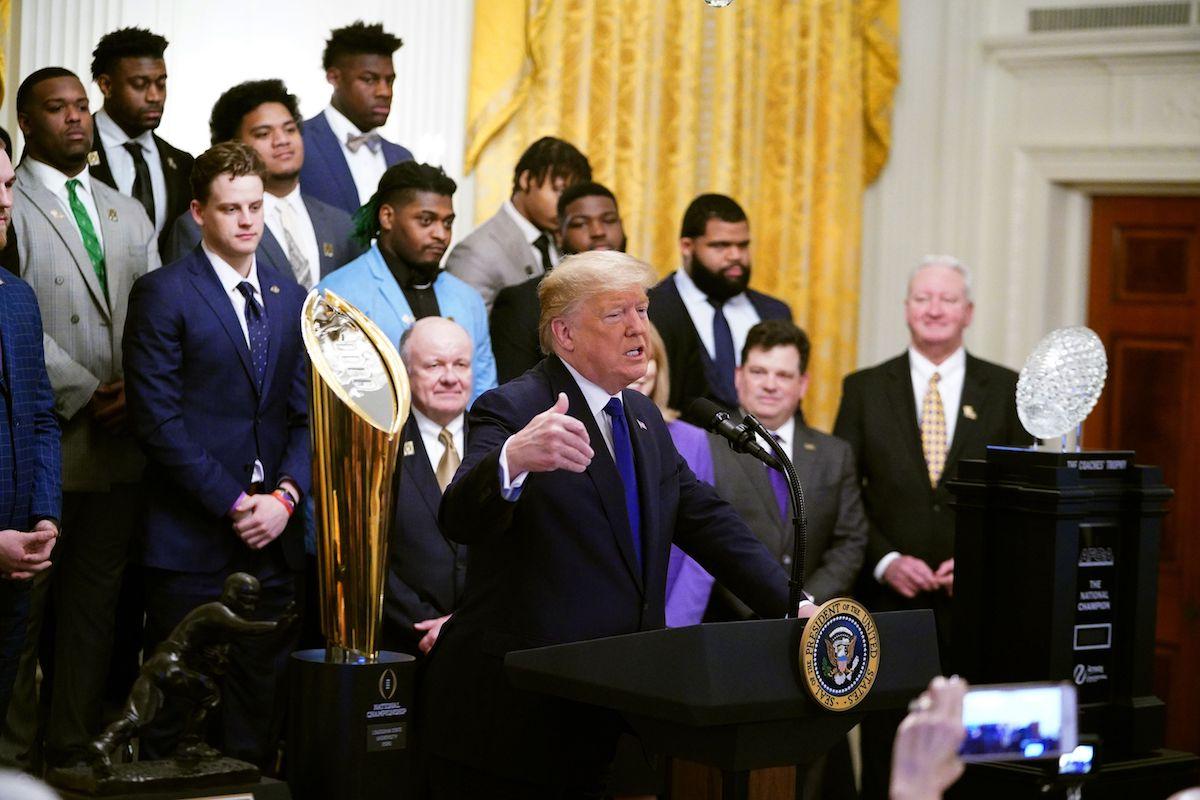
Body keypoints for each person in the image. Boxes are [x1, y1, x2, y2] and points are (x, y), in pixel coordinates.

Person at [418, 250, 804, 797]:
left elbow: (705, 520)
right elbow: (458, 516)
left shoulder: (641, 415)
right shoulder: (512, 407)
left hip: (613, 709)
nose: (638, 329)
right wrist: (514, 459)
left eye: (642, 311)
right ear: (565, 333)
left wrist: (794, 604)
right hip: (515, 720)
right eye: (616, 314)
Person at [123, 142, 309, 769]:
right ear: (200, 212)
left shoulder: (289, 295)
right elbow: (157, 421)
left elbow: (304, 415)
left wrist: (285, 497)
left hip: (275, 535)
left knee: (258, 711)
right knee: (175, 710)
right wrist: (236, 503)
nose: (248, 221)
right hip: (192, 537)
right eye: (232, 209)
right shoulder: (163, 293)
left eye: (256, 206)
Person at [1, 67, 159, 769]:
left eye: (81, 108)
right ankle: (11, 754)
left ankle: (67, 750)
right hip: (46, 436)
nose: (75, 119)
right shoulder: (13, 197)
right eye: (56, 108)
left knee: (96, 612)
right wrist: (85, 387)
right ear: (26, 121)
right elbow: (10, 315)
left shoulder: (124, 209)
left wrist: (140, 390)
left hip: (123, 442)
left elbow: (156, 312)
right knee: (24, 616)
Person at [832, 255, 1027, 799]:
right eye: (923, 298)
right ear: (906, 310)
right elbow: (843, 495)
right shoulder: (864, 388)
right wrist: (887, 559)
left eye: (946, 299)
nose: (934, 309)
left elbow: (1020, 498)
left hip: (978, 615)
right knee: (887, 752)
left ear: (968, 312)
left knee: (980, 764)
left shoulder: (1008, 390)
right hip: (888, 615)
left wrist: (983, 561)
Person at [704, 319, 867, 620]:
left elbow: (850, 541)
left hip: (812, 625)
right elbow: (702, 539)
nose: (770, 384)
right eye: (758, 372)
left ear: (802, 384)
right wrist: (762, 602)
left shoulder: (835, 454)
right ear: (738, 377)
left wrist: (805, 603)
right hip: (729, 622)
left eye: (783, 375)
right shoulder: (705, 447)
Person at [316, 161, 496, 402]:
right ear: (387, 217)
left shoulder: (467, 299)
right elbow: (333, 399)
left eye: (447, 223)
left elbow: (483, 397)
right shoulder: (338, 295)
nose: (441, 234)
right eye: (425, 220)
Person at [165, 79, 362, 287]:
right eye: (264, 134)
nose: (282, 140)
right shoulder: (200, 225)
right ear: (233, 144)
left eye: (289, 129)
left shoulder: (340, 224)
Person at [0, 142, 61, 724]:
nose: (3, 202)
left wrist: (45, 515)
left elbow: (41, 416)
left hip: (17, 565)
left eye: (10, 184)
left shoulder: (18, 298)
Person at [648, 193, 791, 413]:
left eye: (743, 245)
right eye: (721, 246)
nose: (735, 255)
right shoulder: (651, 308)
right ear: (687, 246)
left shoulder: (775, 312)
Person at [381, 318, 472, 657]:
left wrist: (464, 621)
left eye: (460, 364)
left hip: (484, 643)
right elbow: (369, 551)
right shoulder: (381, 447)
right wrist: (420, 622)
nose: (450, 377)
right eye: (434, 365)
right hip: (403, 646)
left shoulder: (498, 441)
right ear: (405, 372)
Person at [491, 180, 625, 383]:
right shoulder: (523, 303)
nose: (598, 231)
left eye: (609, 220)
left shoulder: (647, 296)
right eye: (580, 223)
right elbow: (513, 395)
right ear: (559, 236)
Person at [445, 136, 591, 311]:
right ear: (526, 179)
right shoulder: (476, 252)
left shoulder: (565, 241)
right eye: (560, 190)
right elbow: (469, 331)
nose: (566, 204)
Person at [88, 27, 194, 254]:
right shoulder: (69, 150)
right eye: (140, 84)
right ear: (106, 85)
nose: (154, 96)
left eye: (161, 83)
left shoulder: (182, 163)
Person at [299, 21, 413, 215]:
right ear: (334, 77)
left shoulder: (402, 159)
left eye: (390, 80)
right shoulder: (298, 144)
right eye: (369, 79)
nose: (385, 92)